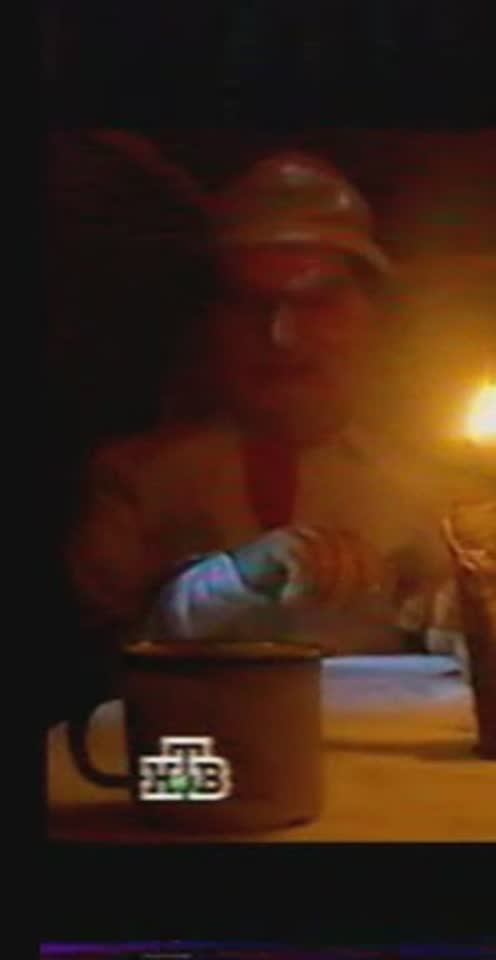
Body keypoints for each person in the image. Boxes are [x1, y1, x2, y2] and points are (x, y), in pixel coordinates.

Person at [66, 151, 462, 659]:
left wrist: (458, 623)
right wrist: (234, 580)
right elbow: (97, 658)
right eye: (250, 305)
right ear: (210, 323)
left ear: (371, 318)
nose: (282, 337)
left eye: (316, 302)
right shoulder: (133, 483)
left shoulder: (436, 495)